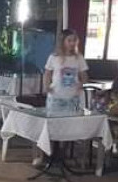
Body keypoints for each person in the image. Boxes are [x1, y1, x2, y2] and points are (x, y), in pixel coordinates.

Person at [32, 30, 89, 167]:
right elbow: (47, 73)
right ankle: (44, 155)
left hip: (72, 98)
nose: (72, 43)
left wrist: (81, 83)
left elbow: (84, 75)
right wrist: (47, 86)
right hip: (56, 97)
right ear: (63, 41)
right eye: (69, 40)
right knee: (50, 126)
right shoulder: (54, 57)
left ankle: (62, 154)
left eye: (74, 40)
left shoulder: (79, 58)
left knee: (69, 127)